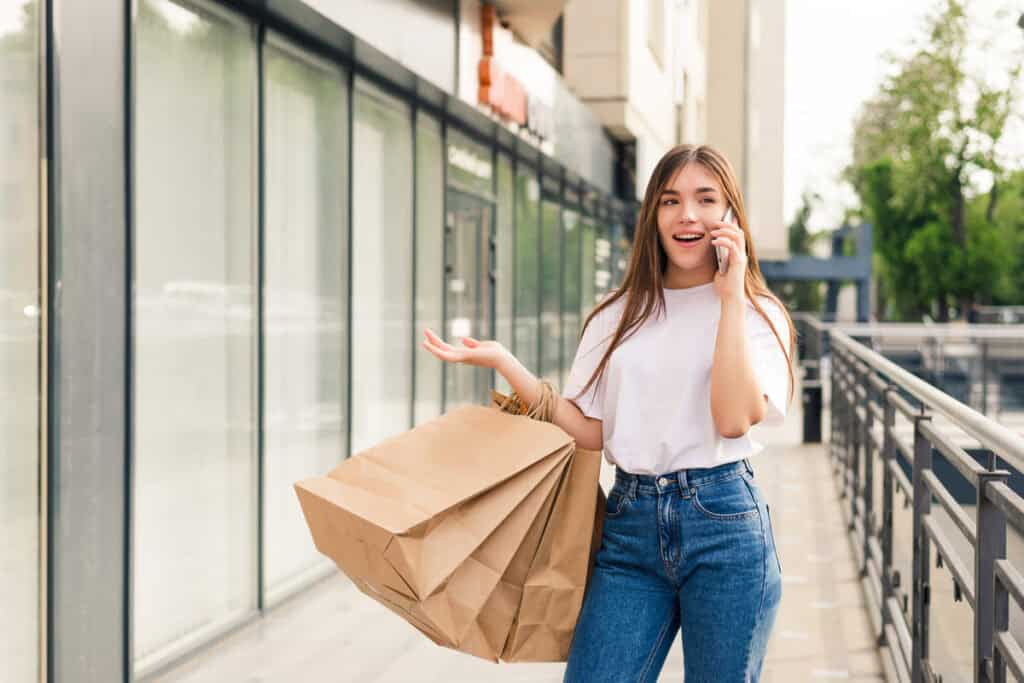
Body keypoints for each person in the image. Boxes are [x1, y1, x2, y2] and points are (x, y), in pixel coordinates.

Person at [421, 144, 795, 682]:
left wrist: (730, 298)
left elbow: (733, 420)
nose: (687, 214)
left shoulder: (758, 315)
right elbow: (592, 431)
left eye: (705, 199)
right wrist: (509, 364)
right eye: (670, 201)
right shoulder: (618, 315)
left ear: (730, 215)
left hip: (725, 526)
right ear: (652, 216)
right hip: (630, 525)